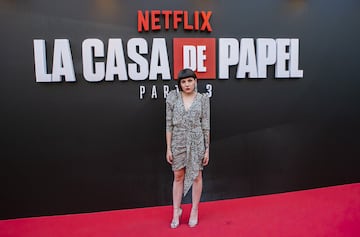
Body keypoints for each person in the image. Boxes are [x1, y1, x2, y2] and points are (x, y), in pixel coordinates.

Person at [165, 68, 210, 228]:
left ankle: (194, 210)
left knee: (196, 176)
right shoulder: (173, 98)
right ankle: (176, 210)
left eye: (190, 80)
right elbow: (168, 125)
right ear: (180, 84)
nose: (187, 84)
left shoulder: (203, 99)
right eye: (183, 81)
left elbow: (206, 125)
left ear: (195, 81)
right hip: (178, 140)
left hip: (197, 141)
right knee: (178, 176)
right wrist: (168, 148)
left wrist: (207, 149)